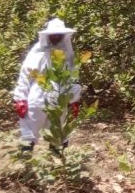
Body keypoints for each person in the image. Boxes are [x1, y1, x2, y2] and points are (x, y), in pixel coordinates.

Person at [12, 18, 82, 150]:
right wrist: (20, 98)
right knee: (29, 134)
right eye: (53, 34)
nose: (56, 36)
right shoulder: (37, 52)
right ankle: (25, 166)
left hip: (59, 98)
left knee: (58, 134)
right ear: (47, 35)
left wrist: (74, 100)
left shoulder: (67, 53)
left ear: (63, 35)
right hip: (37, 96)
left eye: (59, 34)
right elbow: (26, 74)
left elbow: (72, 77)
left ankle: (58, 166)